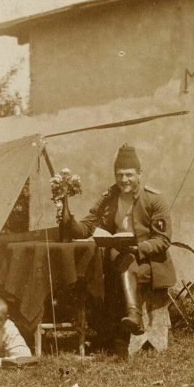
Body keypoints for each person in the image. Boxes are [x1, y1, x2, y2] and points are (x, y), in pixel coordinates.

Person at [62, 144, 174, 339]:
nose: (124, 180)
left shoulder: (154, 199)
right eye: (119, 175)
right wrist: (67, 217)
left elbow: (163, 240)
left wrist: (138, 248)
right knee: (115, 260)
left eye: (129, 175)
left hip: (150, 262)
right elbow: (86, 227)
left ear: (140, 173)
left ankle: (134, 315)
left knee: (126, 260)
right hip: (120, 256)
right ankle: (116, 325)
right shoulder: (109, 197)